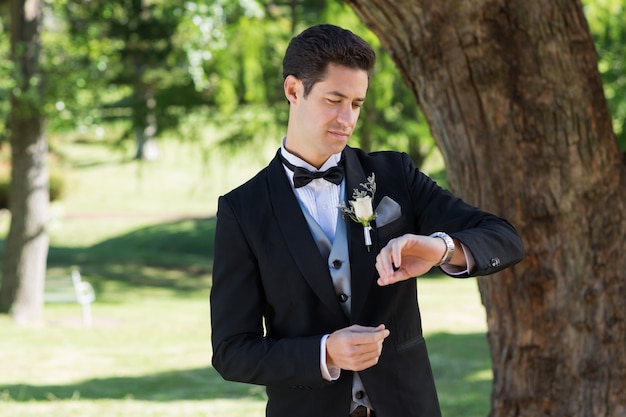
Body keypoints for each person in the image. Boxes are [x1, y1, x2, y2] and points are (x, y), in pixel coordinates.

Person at [210, 24, 524, 417]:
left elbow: (504, 238)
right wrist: (324, 351)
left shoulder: (395, 175)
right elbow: (231, 351)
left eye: (356, 104)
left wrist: (440, 248)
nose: (347, 118)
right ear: (293, 90)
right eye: (334, 100)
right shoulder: (243, 209)